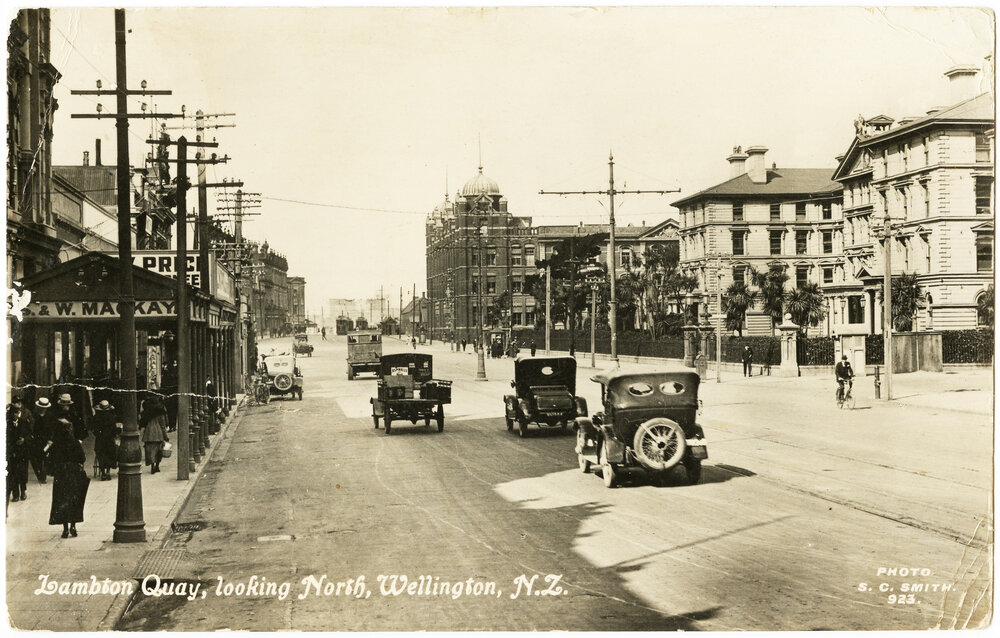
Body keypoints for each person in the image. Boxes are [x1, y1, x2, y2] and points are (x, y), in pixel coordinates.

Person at [48, 419, 88, 538]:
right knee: (74, 500)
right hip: (73, 473)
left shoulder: (56, 443)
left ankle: (65, 529)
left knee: (62, 500)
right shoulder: (75, 442)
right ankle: (73, 526)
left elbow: (51, 460)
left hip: (61, 474)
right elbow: (82, 458)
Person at [7, 396, 32, 503]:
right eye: (13, 413)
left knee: (22, 472)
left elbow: (30, 434)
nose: (15, 415)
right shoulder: (7, 425)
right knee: (13, 473)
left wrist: (24, 440)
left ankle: (23, 491)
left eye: (16, 413)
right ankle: (15, 494)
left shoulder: (24, 422)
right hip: (13, 452)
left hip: (23, 452)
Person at [139, 393, 169, 474]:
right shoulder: (160, 411)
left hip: (148, 433)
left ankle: (152, 466)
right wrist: (166, 436)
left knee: (150, 451)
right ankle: (157, 466)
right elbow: (163, 425)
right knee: (159, 450)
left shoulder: (147, 410)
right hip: (158, 432)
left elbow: (143, 422)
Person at [91, 400, 120, 481]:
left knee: (100, 454)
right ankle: (108, 471)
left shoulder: (96, 417)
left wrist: (98, 434)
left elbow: (94, 429)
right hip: (109, 439)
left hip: (100, 439)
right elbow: (114, 429)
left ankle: (103, 472)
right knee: (110, 453)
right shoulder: (112, 417)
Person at [30, 397, 53, 483]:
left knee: (46, 458)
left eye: (44, 408)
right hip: (37, 440)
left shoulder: (49, 416)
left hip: (47, 441)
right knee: (37, 458)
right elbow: (32, 428)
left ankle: (43, 475)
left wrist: (51, 439)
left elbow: (52, 429)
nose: (43, 409)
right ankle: (40, 475)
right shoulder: (35, 415)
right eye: (41, 408)